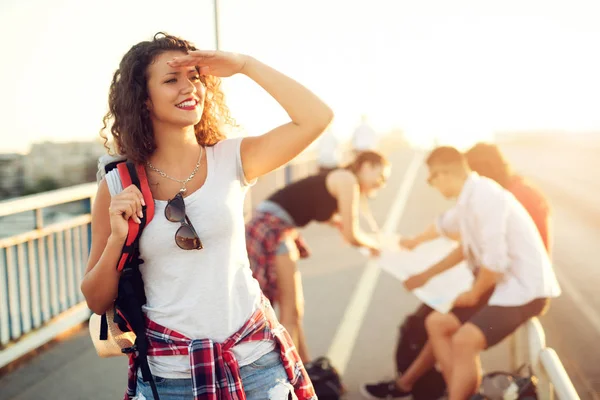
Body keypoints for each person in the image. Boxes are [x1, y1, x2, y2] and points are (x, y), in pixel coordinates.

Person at [80, 32, 333, 400]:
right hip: (171, 378)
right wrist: (119, 236)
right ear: (144, 100)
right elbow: (96, 300)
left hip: (256, 363)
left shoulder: (231, 160)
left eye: (195, 77)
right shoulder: (118, 184)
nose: (190, 88)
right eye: (171, 80)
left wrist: (245, 65)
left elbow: (316, 118)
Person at [361, 144, 555, 399]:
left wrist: (474, 294)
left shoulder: (485, 196)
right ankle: (458, 392)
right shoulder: (469, 198)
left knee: (465, 340)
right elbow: (443, 226)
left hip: (524, 290)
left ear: (444, 173)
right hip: (501, 286)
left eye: (432, 178)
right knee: (437, 322)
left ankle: (457, 394)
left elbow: (494, 260)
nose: (432, 185)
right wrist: (411, 245)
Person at [246, 150, 390, 362]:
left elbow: (312, 203)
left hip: (269, 224)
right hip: (272, 227)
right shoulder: (348, 180)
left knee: (294, 308)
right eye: (381, 176)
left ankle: (304, 366)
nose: (382, 183)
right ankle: (288, 372)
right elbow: (352, 235)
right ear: (366, 166)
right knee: (291, 308)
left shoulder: (340, 177)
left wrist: (335, 222)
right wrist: (375, 246)